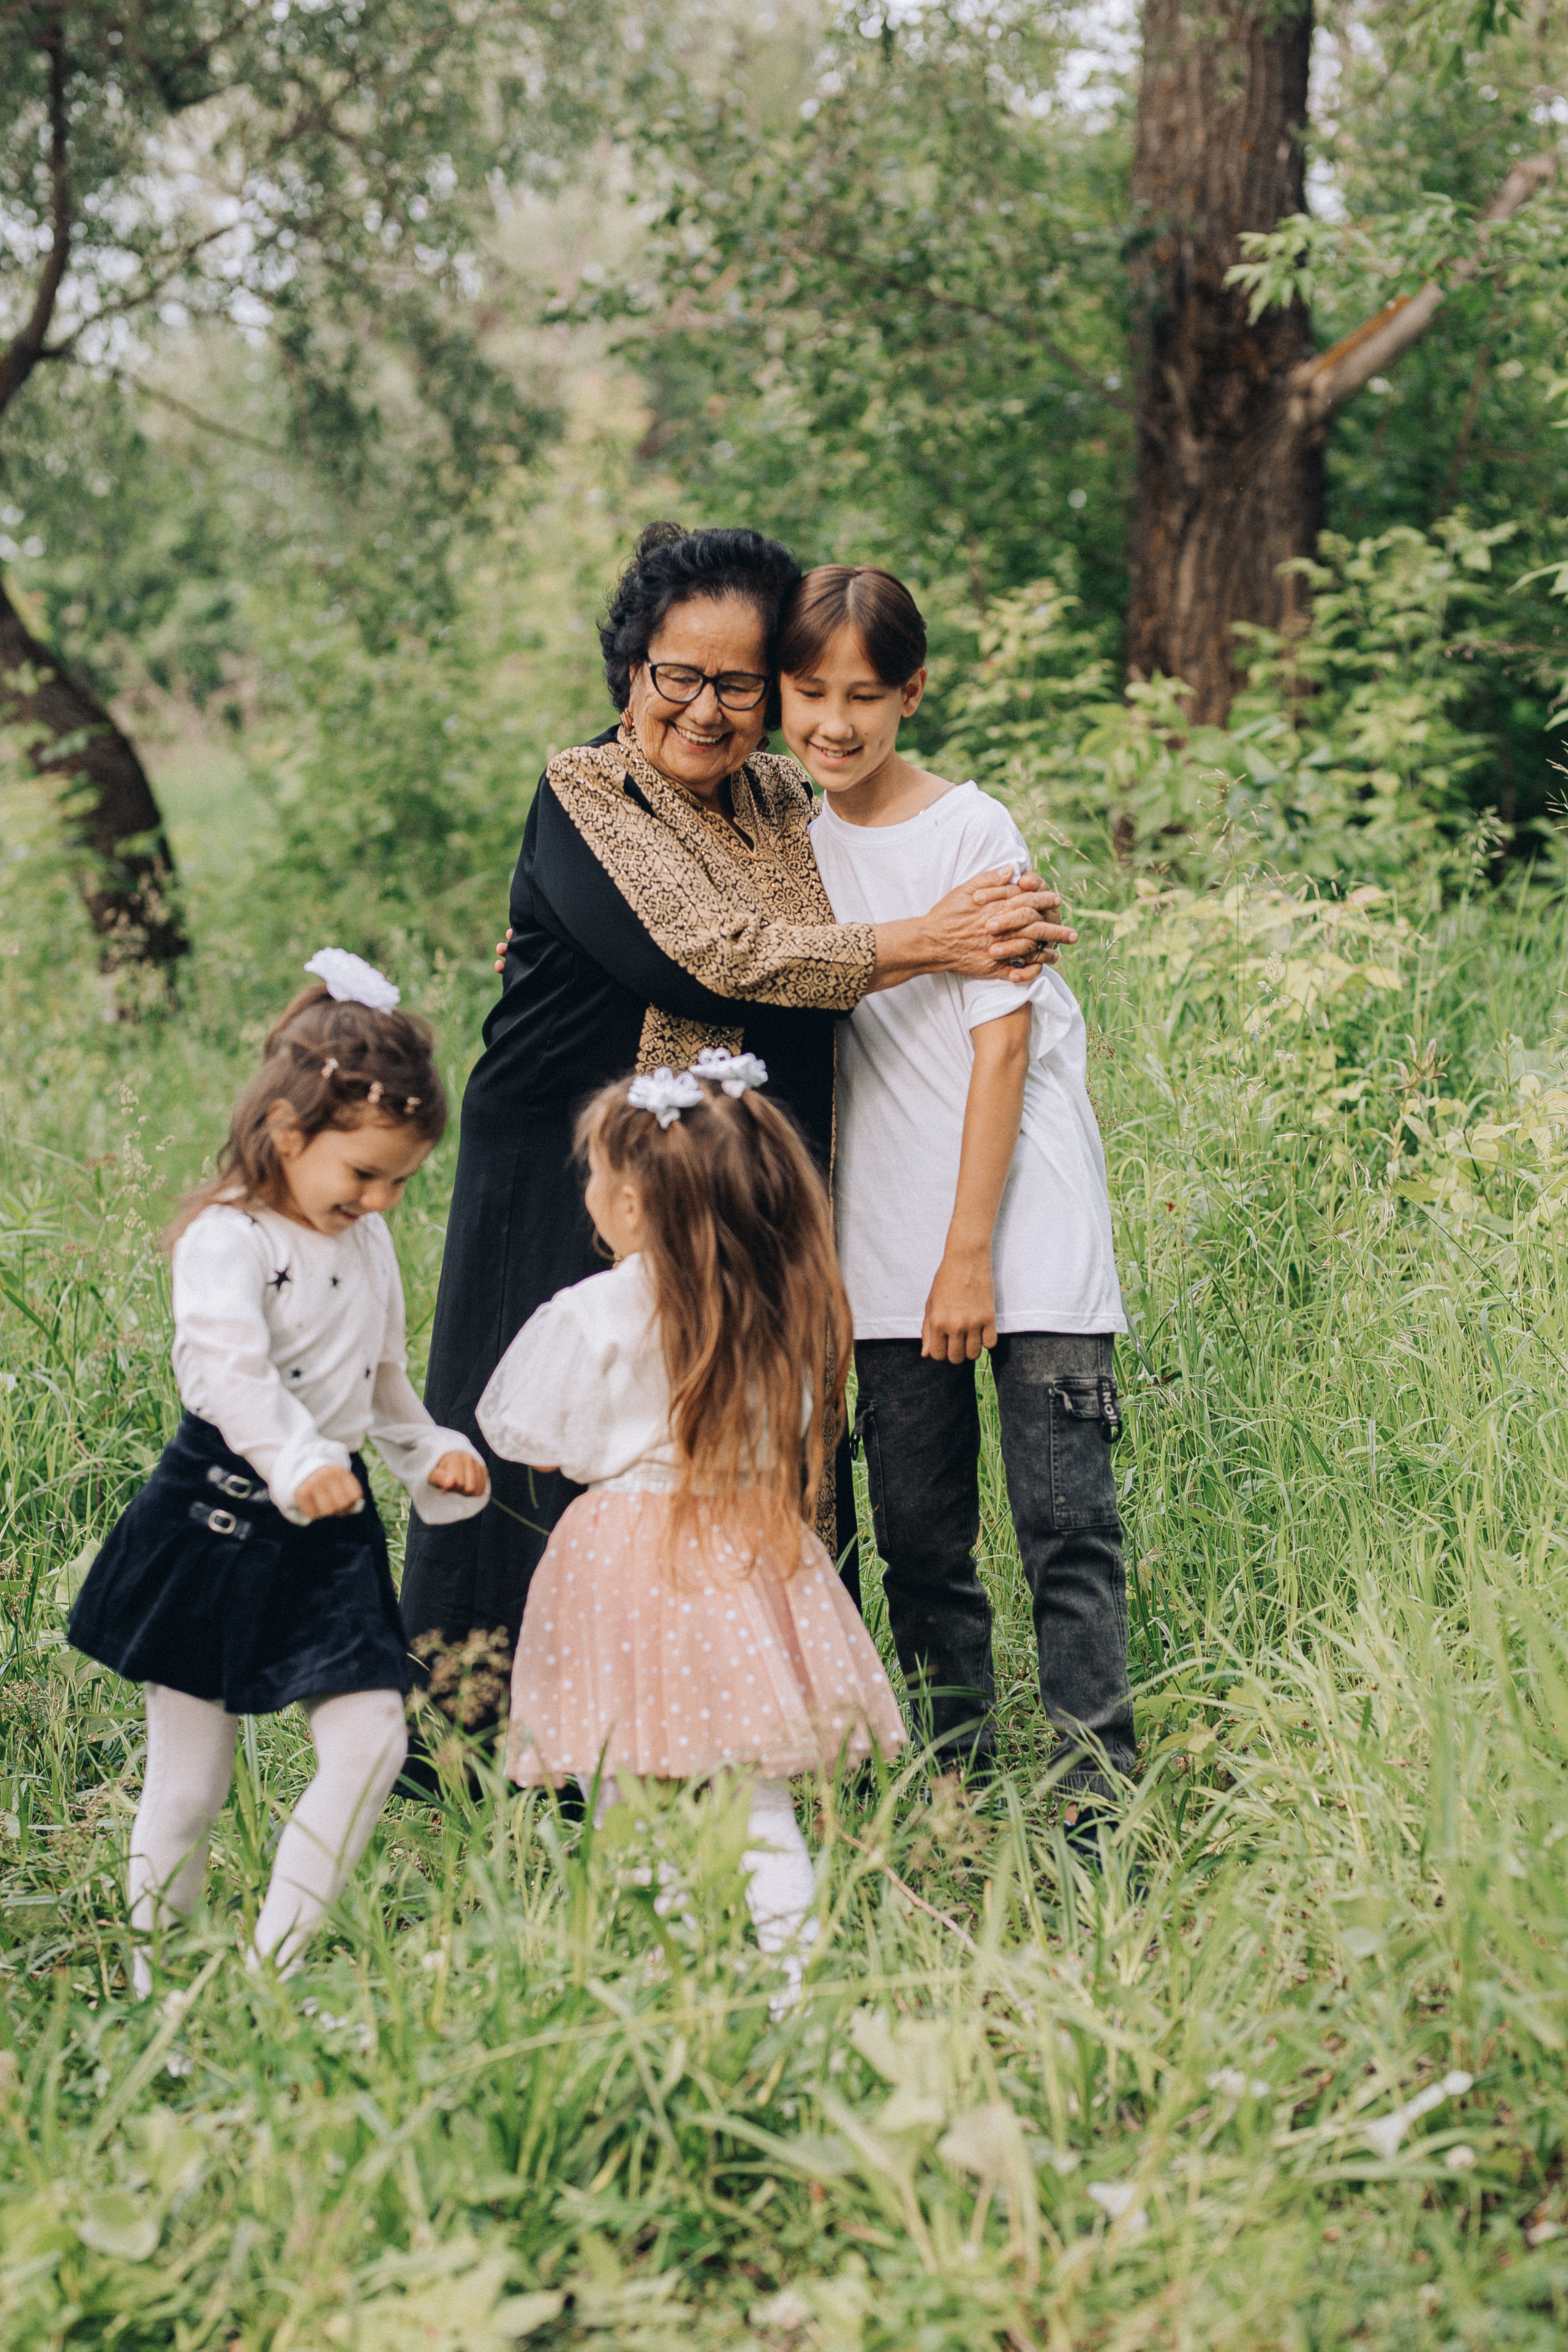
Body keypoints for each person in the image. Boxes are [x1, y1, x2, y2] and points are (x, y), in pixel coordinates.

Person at [399, 521, 1076, 1716]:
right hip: (573, 1159)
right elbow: (713, 956)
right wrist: (936, 939)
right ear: (629, 668)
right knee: (575, 1436)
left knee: (736, 1426)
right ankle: (492, 1732)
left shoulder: (777, 795)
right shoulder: (588, 788)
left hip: (732, 1168)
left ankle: (755, 1713)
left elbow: (847, 903)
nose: (705, 708)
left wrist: (979, 913)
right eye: (678, 675)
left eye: (738, 683)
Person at [779, 566, 1134, 1807]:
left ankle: (1095, 1803)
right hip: (874, 1241)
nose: (834, 722)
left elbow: (1001, 1044)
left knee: (1064, 1529)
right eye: (808, 691)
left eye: (864, 695)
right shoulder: (780, 842)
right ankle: (954, 1795)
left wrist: (968, 1252)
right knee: (920, 1543)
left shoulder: (972, 830)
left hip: (1017, 1226)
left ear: (912, 692)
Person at [69, 952, 490, 1991]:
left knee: (373, 1743)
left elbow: (381, 1381)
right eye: (365, 1174)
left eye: (402, 1179)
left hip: (328, 1529)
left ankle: (272, 1975)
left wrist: (430, 1448)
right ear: (289, 1136)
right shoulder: (228, 1237)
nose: (384, 1199)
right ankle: (153, 1988)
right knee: (190, 1785)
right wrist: (296, 1458)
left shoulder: (370, 1240)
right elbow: (231, 1375)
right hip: (215, 1516)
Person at [476, 1055, 905, 2013]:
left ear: (631, 1204)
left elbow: (538, 1436)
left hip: (627, 1555)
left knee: (628, 1788)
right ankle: (795, 1990)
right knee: (759, 1800)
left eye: (594, 1176)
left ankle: (661, 1992)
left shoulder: (599, 1310)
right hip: (751, 1549)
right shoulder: (776, 1303)